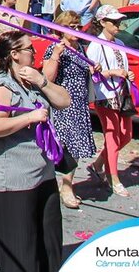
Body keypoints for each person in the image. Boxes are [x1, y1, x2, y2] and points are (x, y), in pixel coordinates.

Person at [0, 30, 71, 272]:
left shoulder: (32, 80)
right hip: (14, 181)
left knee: (49, 245)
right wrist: (29, 117)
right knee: (23, 252)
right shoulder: (2, 86)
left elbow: (64, 101)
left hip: (43, 175)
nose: (34, 52)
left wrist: (41, 80)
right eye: (30, 49)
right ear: (15, 54)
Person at [42, 11, 97, 209]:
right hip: (62, 105)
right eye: (70, 27)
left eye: (77, 26)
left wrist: (93, 69)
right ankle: (56, 184)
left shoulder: (80, 48)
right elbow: (47, 77)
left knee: (75, 147)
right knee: (60, 145)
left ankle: (67, 185)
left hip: (79, 105)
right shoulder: (54, 49)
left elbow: (83, 72)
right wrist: (56, 55)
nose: (75, 30)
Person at [85, 5, 136, 197]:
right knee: (112, 136)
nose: (117, 25)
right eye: (113, 22)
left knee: (126, 135)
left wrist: (127, 74)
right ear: (103, 23)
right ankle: (113, 177)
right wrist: (113, 72)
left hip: (122, 93)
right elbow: (92, 74)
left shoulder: (120, 43)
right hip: (105, 95)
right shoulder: (96, 45)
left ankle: (98, 164)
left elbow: (122, 65)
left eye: (118, 21)